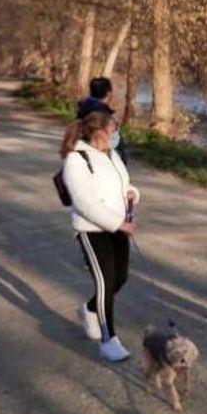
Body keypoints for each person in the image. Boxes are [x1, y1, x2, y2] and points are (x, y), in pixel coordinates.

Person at [61, 110, 141, 362]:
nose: (117, 133)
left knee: (121, 278)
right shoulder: (76, 159)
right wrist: (118, 222)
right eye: (113, 129)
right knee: (105, 281)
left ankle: (90, 309)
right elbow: (85, 202)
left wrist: (131, 194)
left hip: (118, 227)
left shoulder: (112, 154)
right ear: (98, 131)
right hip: (92, 230)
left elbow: (123, 183)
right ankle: (109, 340)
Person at [77, 76, 127, 163]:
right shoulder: (103, 114)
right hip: (100, 157)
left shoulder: (83, 108)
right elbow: (113, 142)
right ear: (108, 93)